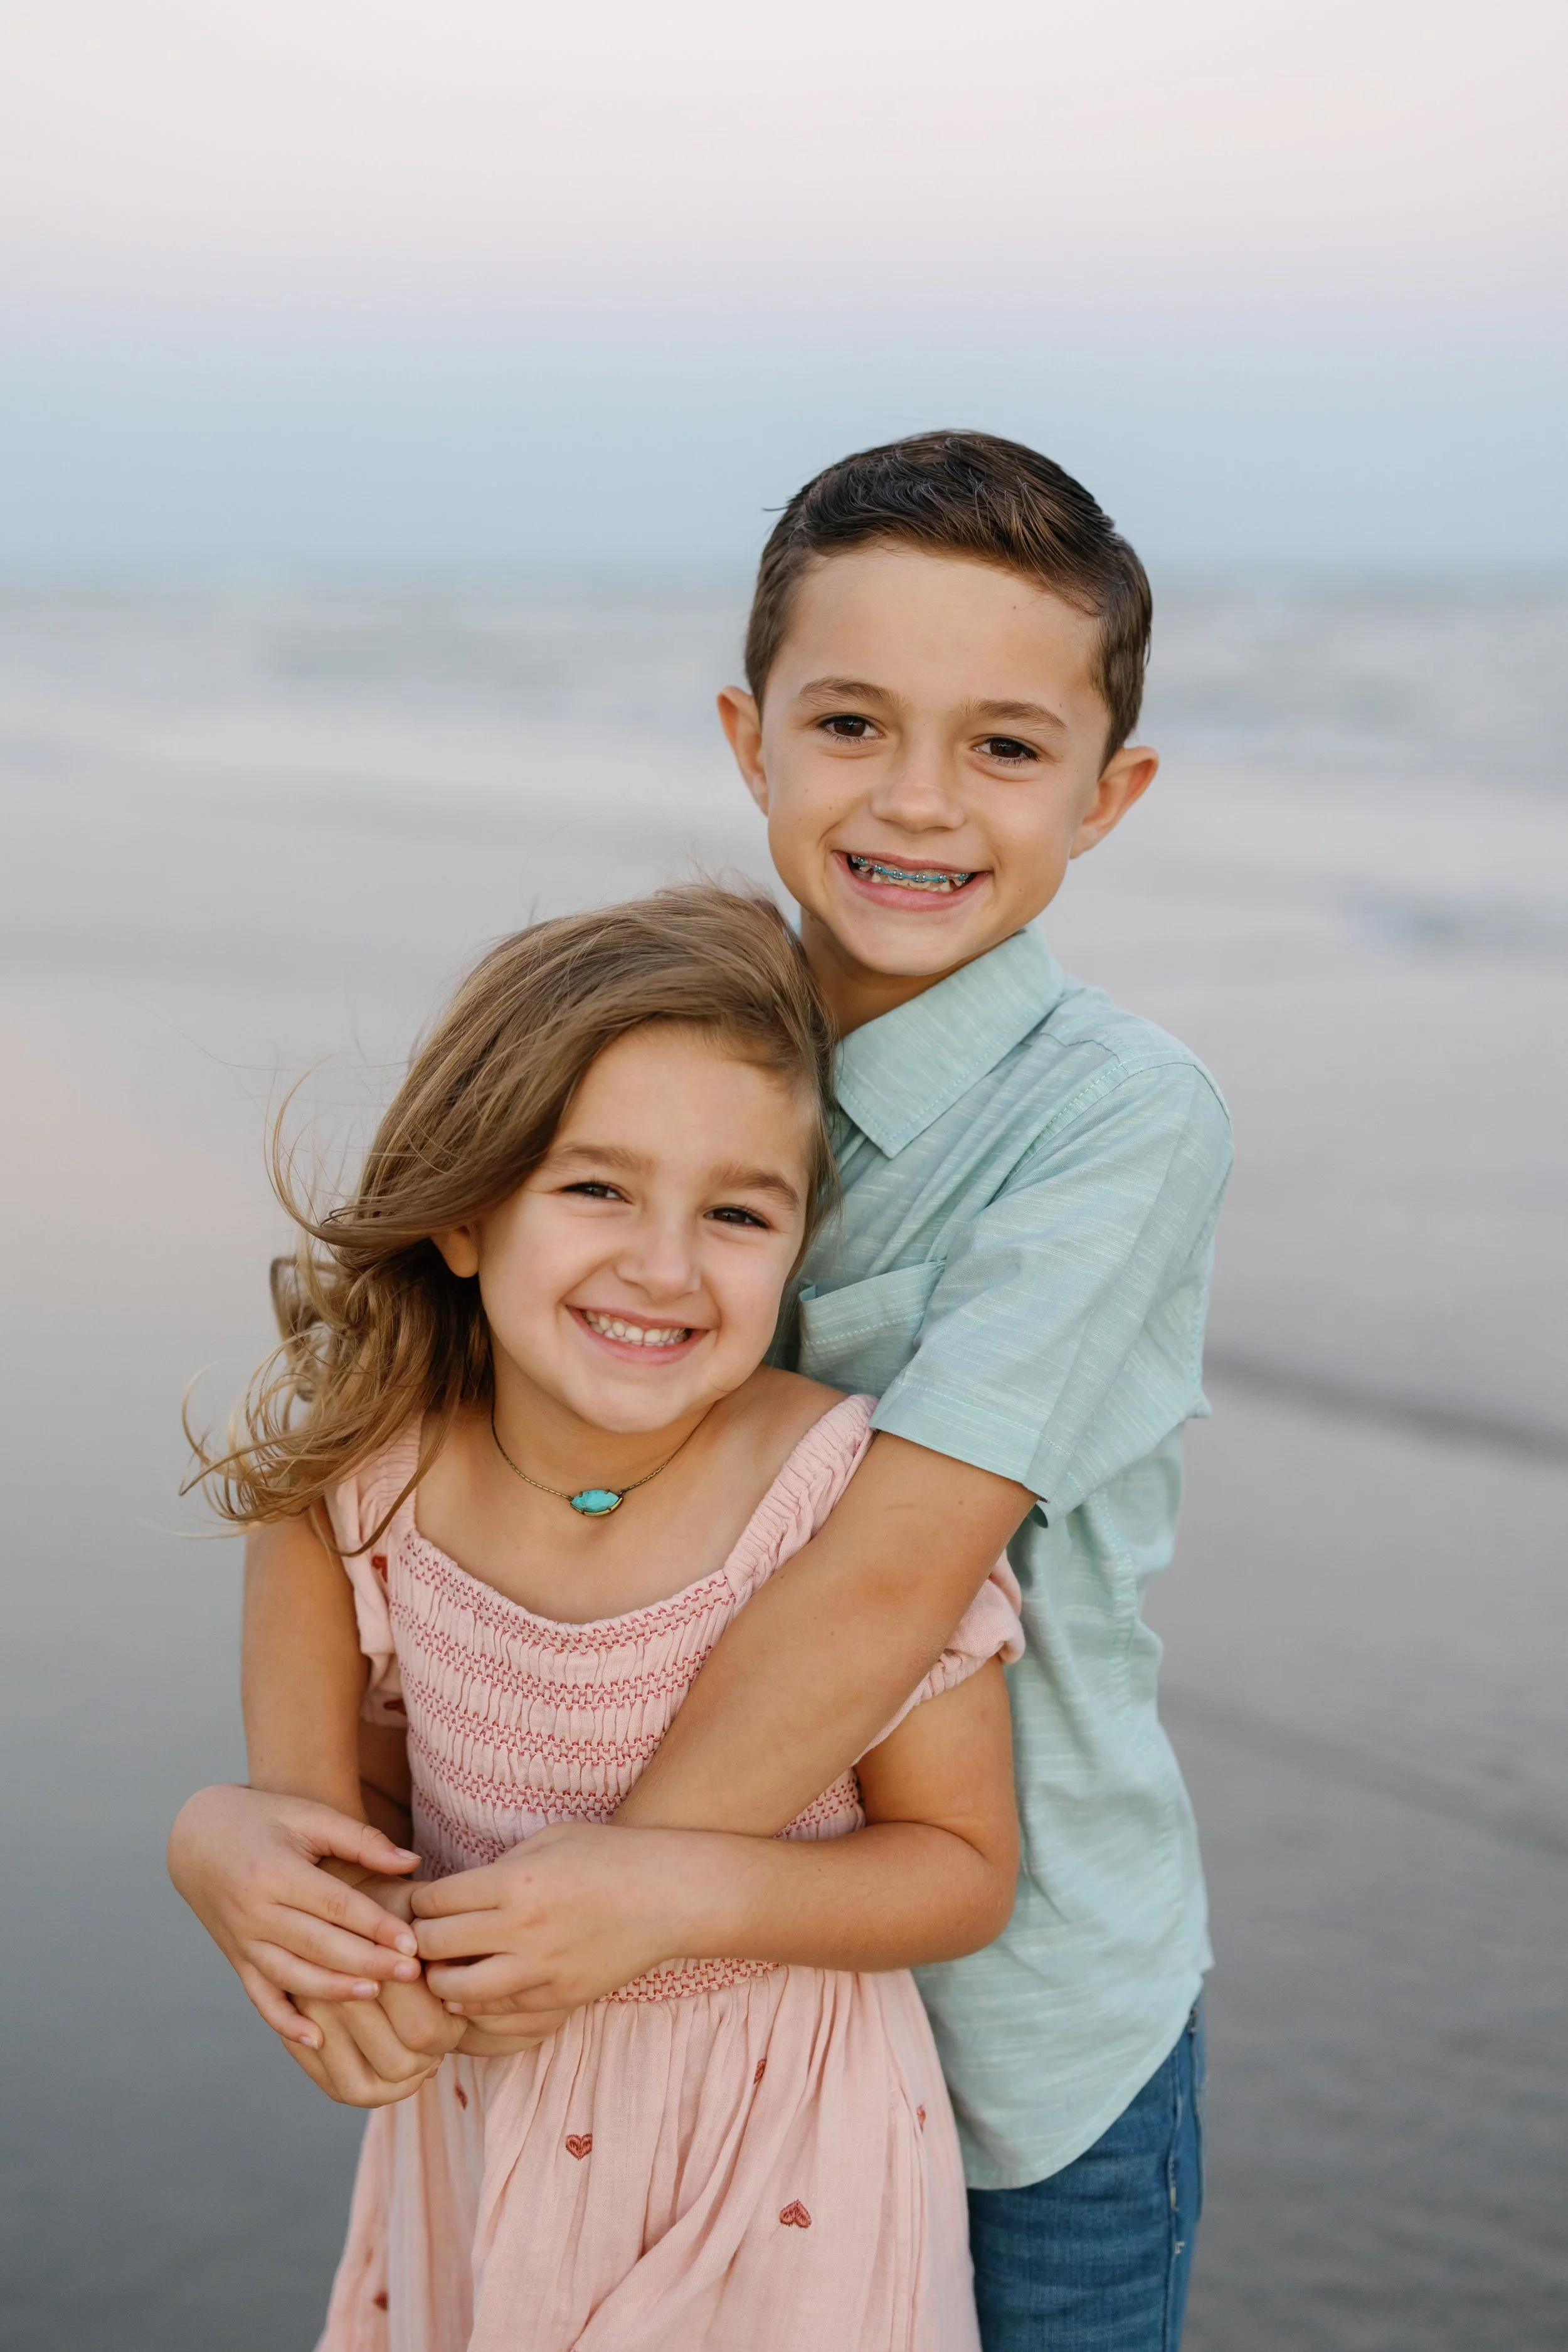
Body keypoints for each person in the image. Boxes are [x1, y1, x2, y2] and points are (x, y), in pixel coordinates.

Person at [172, 431, 1232, 2350]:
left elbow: (886, 1574)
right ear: (750, 740)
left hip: (1012, 2019)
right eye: (850, 723)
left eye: (1003, 745)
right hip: (575, 2024)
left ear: (1110, 789)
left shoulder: (1114, 1120)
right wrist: (279, 1838)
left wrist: (599, 1922)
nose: (917, 799)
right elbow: (378, 1479)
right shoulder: (677, 1063)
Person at [186, 883, 1024, 2350]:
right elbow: (327, 1835)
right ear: (462, 1212)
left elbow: (958, 1871)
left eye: (738, 1211)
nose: (663, 1265)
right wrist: (223, 1850)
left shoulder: (839, 1494)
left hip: (781, 2176)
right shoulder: (351, 1495)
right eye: (595, 1188)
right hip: (479, 2148)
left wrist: (686, 1896)